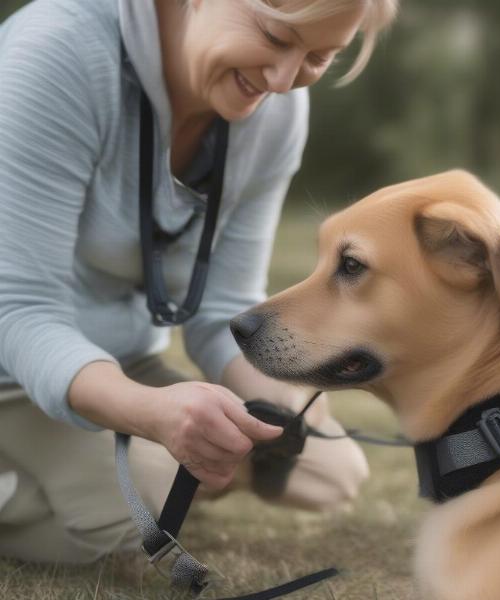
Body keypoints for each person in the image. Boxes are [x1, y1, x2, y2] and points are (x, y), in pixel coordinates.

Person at [0, 0, 398, 564]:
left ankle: (131, 478)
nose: (284, 81)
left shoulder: (279, 111)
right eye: (274, 35)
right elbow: (17, 311)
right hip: (10, 364)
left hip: (116, 357)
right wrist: (149, 413)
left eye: (318, 57)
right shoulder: (57, 53)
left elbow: (224, 307)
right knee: (146, 511)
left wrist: (281, 404)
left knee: (325, 471)